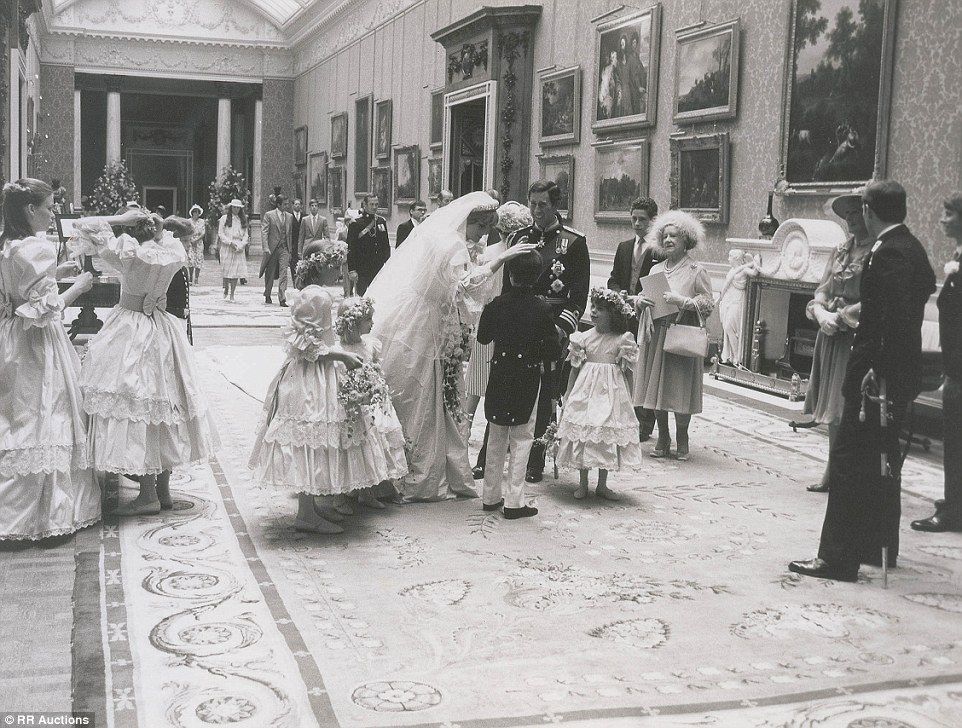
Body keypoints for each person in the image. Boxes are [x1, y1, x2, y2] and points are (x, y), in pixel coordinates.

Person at [789, 180, 937, 582]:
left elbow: (889, 318)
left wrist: (878, 369)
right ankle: (876, 544)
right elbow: (917, 295)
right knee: (881, 461)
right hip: (891, 373)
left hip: (875, 375)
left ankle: (837, 558)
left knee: (851, 463)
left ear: (870, 211)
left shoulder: (887, 253)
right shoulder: (910, 247)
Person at [366, 191, 539, 502]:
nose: (483, 235)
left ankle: (430, 466)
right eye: (482, 227)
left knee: (437, 392)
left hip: (430, 316)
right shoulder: (452, 244)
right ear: (469, 220)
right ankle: (415, 470)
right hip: (424, 323)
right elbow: (465, 286)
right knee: (422, 391)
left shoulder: (448, 238)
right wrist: (500, 260)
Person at [72, 211, 219, 516]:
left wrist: (120, 219)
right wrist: (160, 230)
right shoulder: (172, 252)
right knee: (163, 405)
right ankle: (163, 491)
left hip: (130, 327)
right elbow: (173, 239)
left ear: (132, 232)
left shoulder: (128, 254)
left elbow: (85, 225)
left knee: (139, 407)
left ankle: (148, 494)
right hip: (163, 329)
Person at [0, 179, 101, 541]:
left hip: (10, 337)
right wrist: (79, 286)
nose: (53, 212)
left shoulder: (8, 244)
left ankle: (15, 510)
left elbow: (20, 289)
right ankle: (45, 516)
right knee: (46, 412)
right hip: (38, 341)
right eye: (49, 206)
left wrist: (56, 274)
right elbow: (46, 309)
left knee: (15, 415)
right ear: (30, 210)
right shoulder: (37, 247)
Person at [247, 269, 379, 534]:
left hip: (317, 374)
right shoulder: (316, 298)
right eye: (335, 266)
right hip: (311, 379)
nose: (339, 271)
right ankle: (306, 515)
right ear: (324, 267)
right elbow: (309, 347)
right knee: (310, 440)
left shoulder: (316, 295)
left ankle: (312, 508)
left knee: (318, 441)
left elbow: (316, 342)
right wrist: (342, 357)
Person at [502, 180, 590, 484]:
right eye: (533, 204)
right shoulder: (518, 238)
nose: (537, 211)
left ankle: (535, 460)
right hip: (520, 326)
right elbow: (506, 288)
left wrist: (560, 329)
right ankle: (497, 453)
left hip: (551, 328)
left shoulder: (573, 243)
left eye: (543, 205)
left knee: (545, 396)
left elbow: (578, 296)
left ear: (555, 206)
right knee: (510, 388)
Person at [477, 251, 559, 520]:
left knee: (496, 435)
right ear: (536, 277)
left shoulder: (496, 305)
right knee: (522, 438)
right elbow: (552, 350)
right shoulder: (542, 308)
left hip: (500, 374)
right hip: (527, 377)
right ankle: (514, 501)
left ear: (510, 276)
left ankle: (490, 496)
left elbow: (483, 337)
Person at [802, 192, 874, 493]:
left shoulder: (875, 252)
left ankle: (845, 473)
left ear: (869, 214)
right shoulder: (840, 250)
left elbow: (874, 299)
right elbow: (823, 288)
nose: (852, 220)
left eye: (857, 213)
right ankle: (833, 471)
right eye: (848, 215)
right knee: (833, 412)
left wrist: (842, 316)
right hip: (830, 334)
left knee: (845, 408)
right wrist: (820, 312)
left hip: (853, 336)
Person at [633, 210, 714, 461]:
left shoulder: (696, 270)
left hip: (681, 333)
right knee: (656, 388)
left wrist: (684, 301)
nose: (668, 240)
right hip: (657, 333)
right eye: (665, 236)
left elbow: (708, 304)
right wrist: (640, 302)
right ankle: (663, 437)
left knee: (679, 388)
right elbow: (644, 296)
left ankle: (682, 436)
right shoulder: (656, 268)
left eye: (674, 236)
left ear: (685, 240)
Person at [467, 200, 533, 475]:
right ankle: (487, 451)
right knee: (491, 390)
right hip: (506, 328)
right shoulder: (514, 255)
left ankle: (467, 444)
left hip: (487, 324)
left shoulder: (489, 252)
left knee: (475, 391)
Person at [557, 287, 642, 500]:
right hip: (586, 390)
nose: (594, 311)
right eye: (593, 307)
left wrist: (630, 398)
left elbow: (628, 372)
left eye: (600, 309)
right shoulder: (583, 337)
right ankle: (583, 483)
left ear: (612, 314)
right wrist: (568, 393)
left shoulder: (622, 339)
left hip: (611, 392)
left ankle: (602, 484)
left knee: (606, 434)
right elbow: (575, 369)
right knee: (585, 433)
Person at [912, 192, 962, 533]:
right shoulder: (958, 257)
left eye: (949, 213)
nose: (942, 219)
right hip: (954, 368)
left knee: (956, 442)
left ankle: (953, 512)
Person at [334, 296, 408, 509]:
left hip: (370, 403)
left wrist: (375, 388)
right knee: (351, 448)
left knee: (371, 446)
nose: (372, 323)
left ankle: (367, 492)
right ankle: (343, 494)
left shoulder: (370, 345)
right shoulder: (339, 350)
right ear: (354, 323)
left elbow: (375, 369)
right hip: (349, 405)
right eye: (368, 319)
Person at [608, 196, 662, 441]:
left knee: (644, 369)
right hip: (624, 315)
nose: (637, 224)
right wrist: (618, 292)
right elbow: (613, 278)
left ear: (653, 221)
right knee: (623, 366)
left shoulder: (660, 250)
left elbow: (660, 284)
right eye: (634, 219)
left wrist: (640, 299)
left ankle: (644, 423)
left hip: (647, 316)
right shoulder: (624, 247)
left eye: (642, 220)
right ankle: (622, 416)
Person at [717, 249, 759, 367]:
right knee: (727, 328)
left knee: (730, 327)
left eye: (730, 257)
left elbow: (755, 273)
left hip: (737, 301)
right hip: (729, 301)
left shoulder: (743, 270)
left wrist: (756, 260)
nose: (728, 259)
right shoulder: (732, 270)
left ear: (736, 258)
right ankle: (733, 357)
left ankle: (737, 357)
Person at [347, 194, 390, 296]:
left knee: (378, 296)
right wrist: (352, 270)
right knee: (362, 297)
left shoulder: (381, 221)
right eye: (371, 204)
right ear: (365, 205)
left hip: (378, 267)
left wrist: (387, 264)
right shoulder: (356, 223)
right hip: (362, 268)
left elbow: (386, 246)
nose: (374, 207)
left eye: (376, 204)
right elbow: (351, 248)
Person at [259, 192, 293, 306]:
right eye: (285, 204)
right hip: (272, 248)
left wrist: (289, 249)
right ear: (278, 205)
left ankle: (282, 297)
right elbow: (264, 232)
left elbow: (289, 234)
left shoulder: (289, 217)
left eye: (287, 204)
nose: (287, 206)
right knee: (270, 272)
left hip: (284, 248)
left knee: (284, 272)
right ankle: (267, 293)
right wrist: (265, 247)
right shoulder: (269, 215)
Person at [218, 200, 249, 303]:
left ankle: (232, 294)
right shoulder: (224, 218)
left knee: (235, 271)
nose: (236, 209)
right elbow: (221, 233)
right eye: (234, 207)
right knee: (226, 269)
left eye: (238, 207)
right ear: (231, 208)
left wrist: (241, 245)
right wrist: (229, 242)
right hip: (227, 246)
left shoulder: (242, 219)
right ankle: (226, 288)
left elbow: (246, 235)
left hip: (238, 246)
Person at [184, 204, 206, 284]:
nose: (196, 213)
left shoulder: (202, 221)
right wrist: (191, 240)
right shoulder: (188, 221)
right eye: (195, 212)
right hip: (190, 242)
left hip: (199, 243)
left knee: (198, 260)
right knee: (191, 259)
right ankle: (190, 278)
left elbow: (203, 233)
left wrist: (196, 240)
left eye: (198, 212)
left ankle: (196, 278)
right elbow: (186, 232)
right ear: (192, 213)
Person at [289, 198, 305, 279]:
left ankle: (301, 280)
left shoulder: (304, 217)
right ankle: (294, 280)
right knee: (293, 263)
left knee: (303, 263)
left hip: (302, 244)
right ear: (293, 206)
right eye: (296, 204)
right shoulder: (289, 217)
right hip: (293, 244)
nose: (297, 206)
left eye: (299, 204)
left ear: (301, 206)